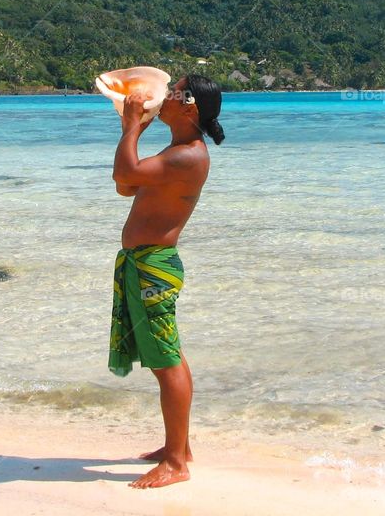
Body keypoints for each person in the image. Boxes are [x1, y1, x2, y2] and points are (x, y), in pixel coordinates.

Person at [109, 73, 225, 489]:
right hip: (145, 263)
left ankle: (176, 462)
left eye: (174, 91)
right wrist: (134, 136)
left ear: (189, 105)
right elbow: (126, 184)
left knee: (166, 359)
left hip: (153, 266)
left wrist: (130, 128)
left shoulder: (189, 155)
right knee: (166, 358)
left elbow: (125, 169)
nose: (166, 94)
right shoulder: (177, 150)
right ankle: (179, 448)